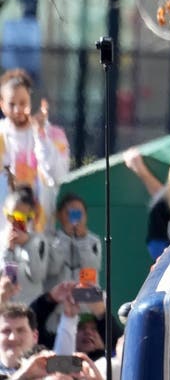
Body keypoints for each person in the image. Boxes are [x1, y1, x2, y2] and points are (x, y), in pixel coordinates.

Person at [0, 68, 70, 234]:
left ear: (31, 101)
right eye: (12, 104)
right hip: (4, 234)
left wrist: (41, 135)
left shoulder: (53, 134)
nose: (17, 109)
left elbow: (58, 175)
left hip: (41, 232)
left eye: (23, 103)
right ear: (2, 104)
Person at [44, 193, 101, 292]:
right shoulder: (50, 240)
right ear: (59, 215)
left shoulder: (93, 241)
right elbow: (52, 269)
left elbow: (91, 270)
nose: (75, 218)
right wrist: (64, 237)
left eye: (79, 213)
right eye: (70, 213)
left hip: (83, 297)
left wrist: (82, 240)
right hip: (58, 297)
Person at [2, 186, 48, 305]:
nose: (15, 222)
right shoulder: (2, 241)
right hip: (6, 310)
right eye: (11, 216)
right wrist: (9, 250)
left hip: (30, 309)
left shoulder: (39, 241)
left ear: (30, 218)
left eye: (21, 218)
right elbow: (9, 279)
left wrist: (27, 244)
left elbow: (37, 276)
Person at [0, 303, 39, 375]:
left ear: (34, 336)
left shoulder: (53, 369)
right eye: (6, 331)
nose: (13, 338)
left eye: (20, 330)